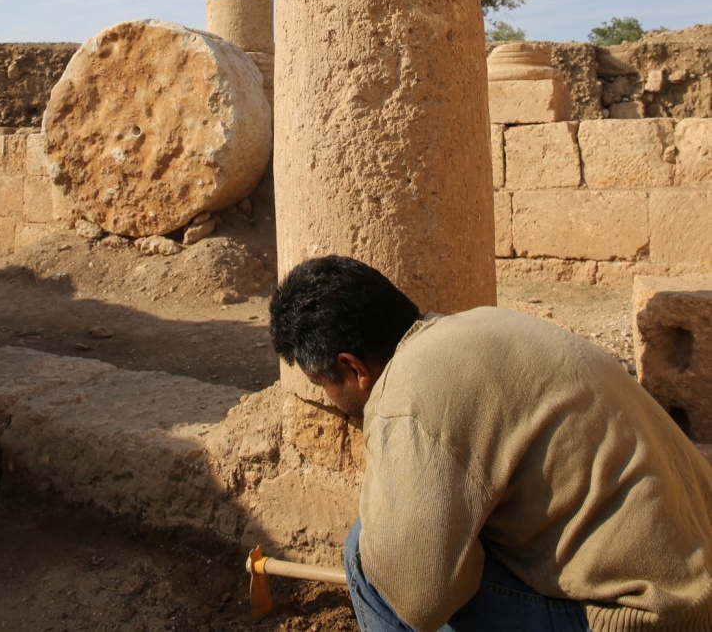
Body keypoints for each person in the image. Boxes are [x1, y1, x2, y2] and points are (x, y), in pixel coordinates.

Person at [269, 254, 712, 632]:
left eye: (321, 383)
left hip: (647, 615)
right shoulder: (478, 326)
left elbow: (420, 598)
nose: (329, 398)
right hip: (697, 582)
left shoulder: (405, 392)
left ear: (353, 369)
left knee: (368, 556)